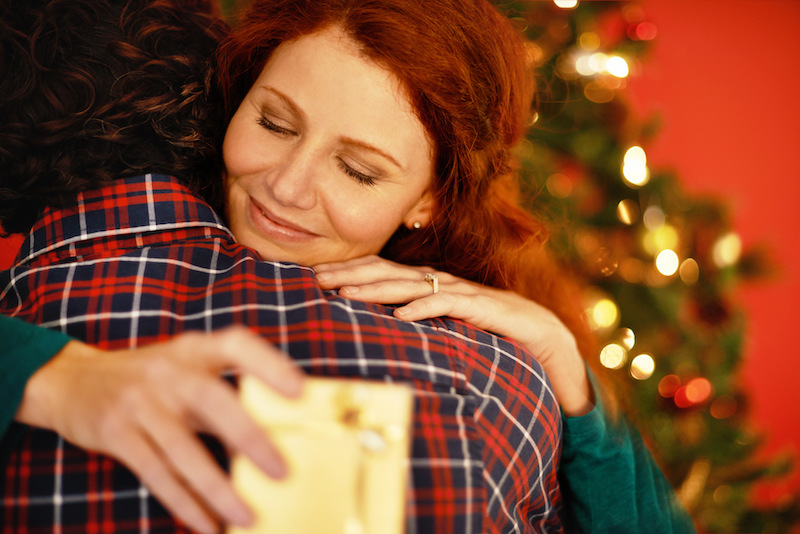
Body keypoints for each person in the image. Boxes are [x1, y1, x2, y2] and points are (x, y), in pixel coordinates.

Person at [0, 0, 696, 533]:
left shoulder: (488, 366)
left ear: (427, 200)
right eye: (273, 122)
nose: (289, 187)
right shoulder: (102, 249)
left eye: (359, 171)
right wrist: (54, 372)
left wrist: (567, 372)